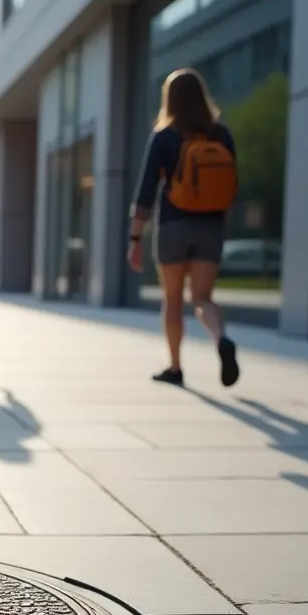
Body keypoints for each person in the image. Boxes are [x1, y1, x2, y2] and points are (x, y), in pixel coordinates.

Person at [129, 67, 241, 388]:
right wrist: (220, 223)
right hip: (210, 226)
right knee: (203, 298)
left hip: (173, 226)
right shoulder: (221, 135)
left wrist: (135, 237)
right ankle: (220, 338)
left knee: (173, 299)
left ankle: (175, 368)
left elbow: (146, 190)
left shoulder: (165, 135)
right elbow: (232, 186)